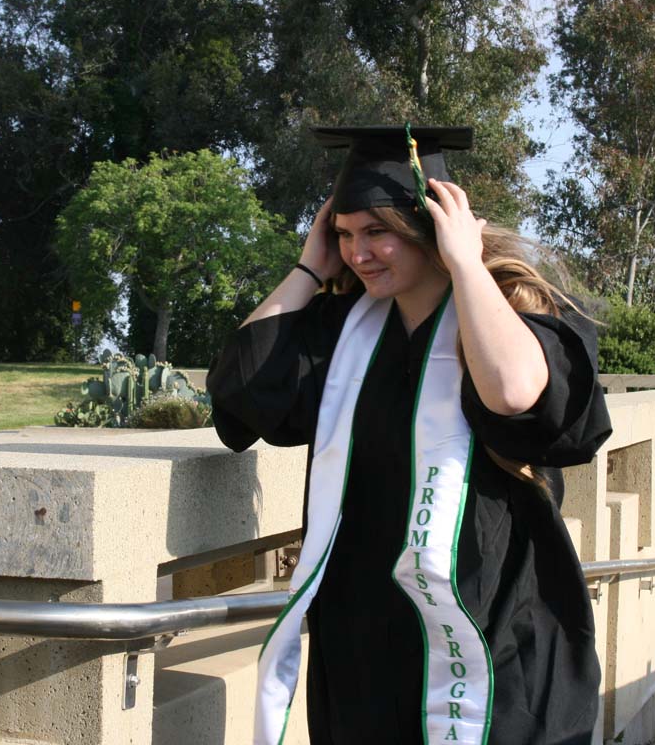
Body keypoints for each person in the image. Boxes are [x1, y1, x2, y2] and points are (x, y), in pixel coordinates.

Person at [207, 126, 612, 745]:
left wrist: (466, 265)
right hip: (365, 652)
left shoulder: (514, 313)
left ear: (429, 227)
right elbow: (240, 388)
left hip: (497, 643)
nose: (358, 253)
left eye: (378, 232)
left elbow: (514, 392)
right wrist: (308, 266)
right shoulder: (344, 333)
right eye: (343, 234)